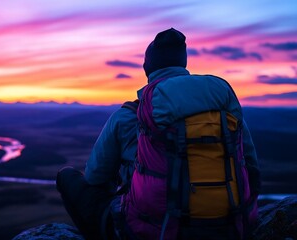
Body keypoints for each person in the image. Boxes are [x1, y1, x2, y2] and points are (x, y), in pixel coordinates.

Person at [56, 28, 260, 240]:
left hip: (155, 230)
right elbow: (251, 166)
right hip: (230, 226)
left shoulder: (126, 117)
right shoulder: (220, 107)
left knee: (67, 177)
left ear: (147, 67)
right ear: (184, 64)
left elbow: (94, 176)